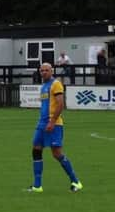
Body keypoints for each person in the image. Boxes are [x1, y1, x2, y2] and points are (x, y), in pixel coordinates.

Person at [27, 63, 83, 193]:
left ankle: (76, 181)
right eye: (42, 71)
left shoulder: (56, 84)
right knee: (36, 150)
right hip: (42, 123)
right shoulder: (43, 87)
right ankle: (37, 186)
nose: (44, 72)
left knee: (57, 154)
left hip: (54, 124)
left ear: (52, 71)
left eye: (46, 70)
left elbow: (60, 104)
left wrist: (52, 122)